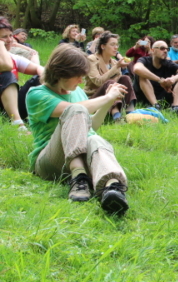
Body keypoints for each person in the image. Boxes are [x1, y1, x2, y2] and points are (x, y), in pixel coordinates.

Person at [26, 44, 130, 215]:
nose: (81, 81)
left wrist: (108, 103)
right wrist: (107, 96)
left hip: (82, 153)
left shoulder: (78, 92)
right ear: (61, 73)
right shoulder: (36, 94)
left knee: (95, 138)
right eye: (78, 76)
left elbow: (91, 127)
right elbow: (73, 110)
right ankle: (78, 176)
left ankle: (112, 188)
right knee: (75, 109)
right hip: (50, 161)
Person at [0, 17, 44, 128]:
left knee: (40, 78)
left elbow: (38, 68)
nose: (10, 40)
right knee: (7, 75)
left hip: (12, 105)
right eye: (4, 37)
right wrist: (1, 46)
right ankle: (18, 123)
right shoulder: (8, 60)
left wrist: (45, 78)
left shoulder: (12, 57)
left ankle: (50, 115)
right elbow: (7, 66)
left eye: (10, 35)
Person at [84, 31, 136, 122]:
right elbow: (98, 81)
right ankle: (116, 116)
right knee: (111, 83)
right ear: (103, 46)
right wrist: (116, 67)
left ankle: (130, 112)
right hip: (95, 97)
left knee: (125, 78)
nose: (116, 47)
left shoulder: (114, 62)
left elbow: (119, 83)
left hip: (110, 97)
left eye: (117, 45)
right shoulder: (92, 59)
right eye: (112, 44)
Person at [133, 40, 178, 118]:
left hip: (164, 97)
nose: (165, 51)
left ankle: (175, 108)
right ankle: (155, 106)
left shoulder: (168, 63)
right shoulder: (144, 60)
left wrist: (173, 79)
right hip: (145, 98)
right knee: (141, 75)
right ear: (153, 50)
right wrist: (160, 80)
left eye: (167, 49)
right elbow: (137, 69)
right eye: (162, 48)